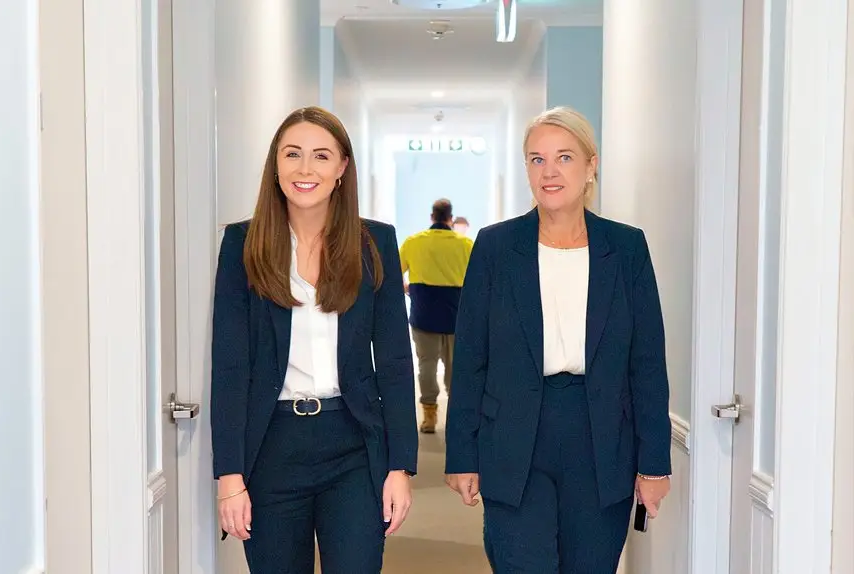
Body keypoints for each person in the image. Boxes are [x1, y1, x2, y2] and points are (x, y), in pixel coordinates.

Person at [444, 107, 672, 573]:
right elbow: (470, 359)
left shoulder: (626, 248)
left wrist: (654, 464)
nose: (549, 171)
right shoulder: (495, 247)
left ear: (591, 166)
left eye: (565, 157)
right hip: (513, 437)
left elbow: (647, 362)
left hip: (601, 440)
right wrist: (461, 455)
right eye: (537, 159)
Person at [211, 106, 417, 574]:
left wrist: (400, 466)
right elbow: (230, 366)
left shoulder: (374, 243)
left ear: (342, 167)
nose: (305, 169)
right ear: (275, 164)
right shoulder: (243, 244)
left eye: (321, 156)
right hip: (272, 449)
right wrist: (229, 476)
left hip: (353, 445)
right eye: (293, 154)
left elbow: (394, 362)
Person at [399, 199, 474, 433]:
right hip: (457, 317)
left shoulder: (413, 242)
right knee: (456, 370)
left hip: (424, 315)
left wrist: (407, 288)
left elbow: (393, 273)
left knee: (426, 366)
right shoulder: (466, 245)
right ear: (450, 219)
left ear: (432, 217)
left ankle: (429, 417)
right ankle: (455, 417)